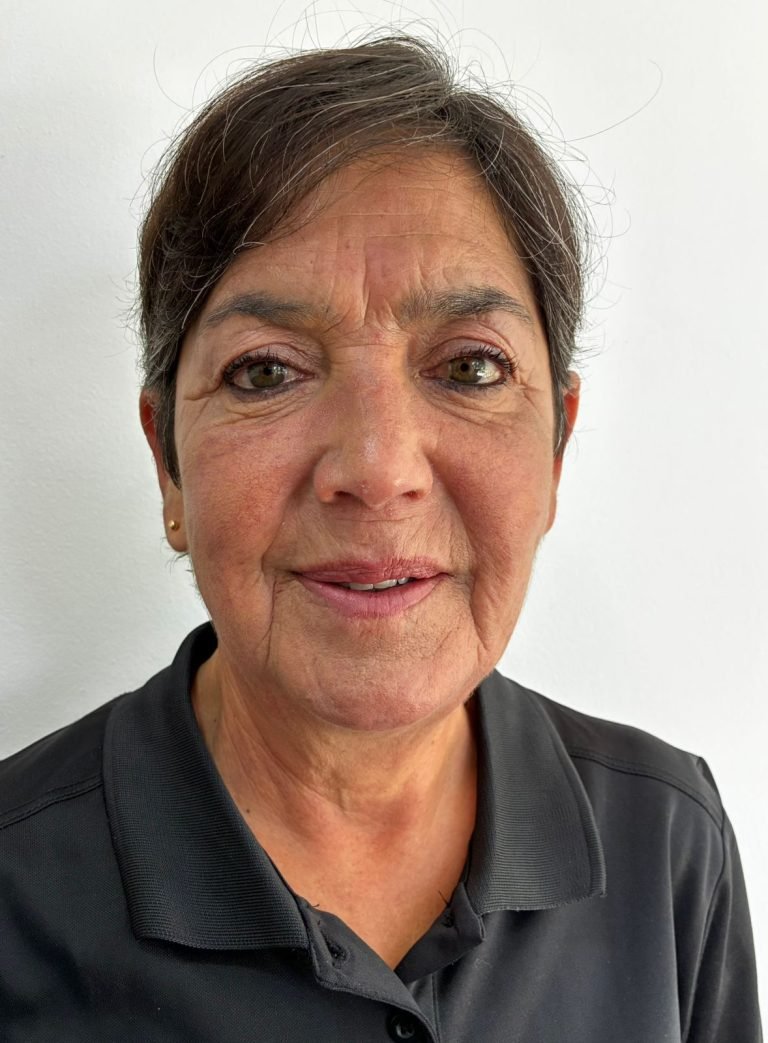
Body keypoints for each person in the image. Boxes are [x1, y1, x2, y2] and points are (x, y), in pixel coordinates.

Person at [0, 35, 761, 1042]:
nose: (377, 466)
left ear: (557, 449)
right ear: (169, 464)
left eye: (471, 367)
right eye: (266, 371)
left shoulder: (666, 839)